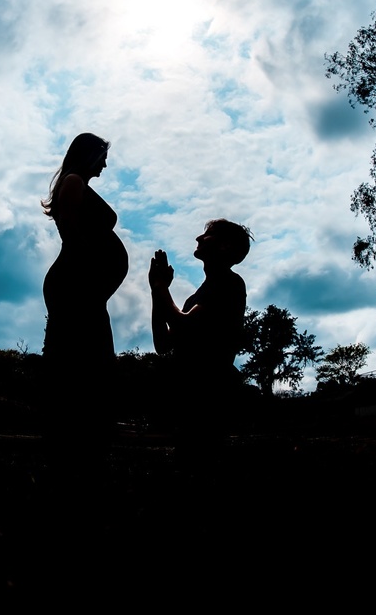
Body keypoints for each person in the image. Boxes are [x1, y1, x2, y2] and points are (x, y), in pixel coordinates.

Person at [41, 133, 128, 445]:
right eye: (102, 156)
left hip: (83, 283)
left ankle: (83, 426)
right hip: (74, 282)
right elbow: (68, 227)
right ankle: (71, 430)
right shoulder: (75, 181)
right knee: (81, 354)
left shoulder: (79, 183)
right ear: (89, 155)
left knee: (90, 352)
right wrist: (93, 266)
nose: (105, 164)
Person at [149, 219, 252, 453]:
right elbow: (163, 344)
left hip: (210, 398)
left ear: (224, 246)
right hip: (188, 401)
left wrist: (160, 288)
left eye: (208, 234)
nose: (198, 238)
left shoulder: (230, 284)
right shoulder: (194, 299)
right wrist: (157, 290)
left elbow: (182, 325)